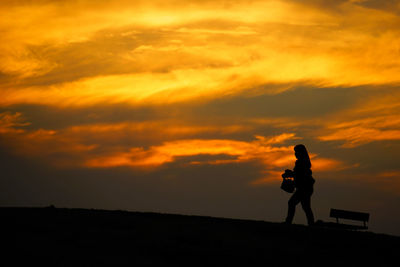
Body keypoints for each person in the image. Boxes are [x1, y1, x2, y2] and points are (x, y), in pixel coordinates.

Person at [282, 144, 315, 225]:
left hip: (304, 188)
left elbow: (300, 175)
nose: (295, 154)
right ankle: (311, 224)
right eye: (295, 152)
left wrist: (290, 173)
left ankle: (288, 222)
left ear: (301, 153)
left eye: (297, 152)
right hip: (305, 188)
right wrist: (290, 173)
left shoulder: (302, 163)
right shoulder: (302, 162)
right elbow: (298, 174)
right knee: (306, 207)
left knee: (292, 203)